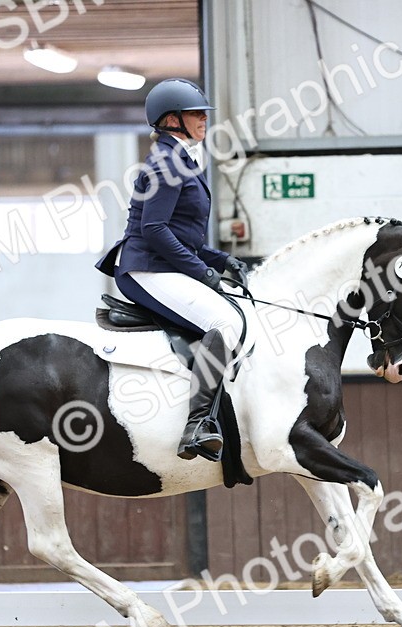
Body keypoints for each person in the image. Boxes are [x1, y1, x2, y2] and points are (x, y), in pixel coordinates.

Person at [96, 78, 246, 461]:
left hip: (163, 265)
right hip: (147, 270)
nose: (203, 120)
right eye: (196, 113)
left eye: (202, 113)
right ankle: (197, 424)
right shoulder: (167, 162)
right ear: (170, 120)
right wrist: (202, 273)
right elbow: (155, 230)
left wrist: (221, 260)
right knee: (223, 323)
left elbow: (182, 234)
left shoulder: (180, 159)